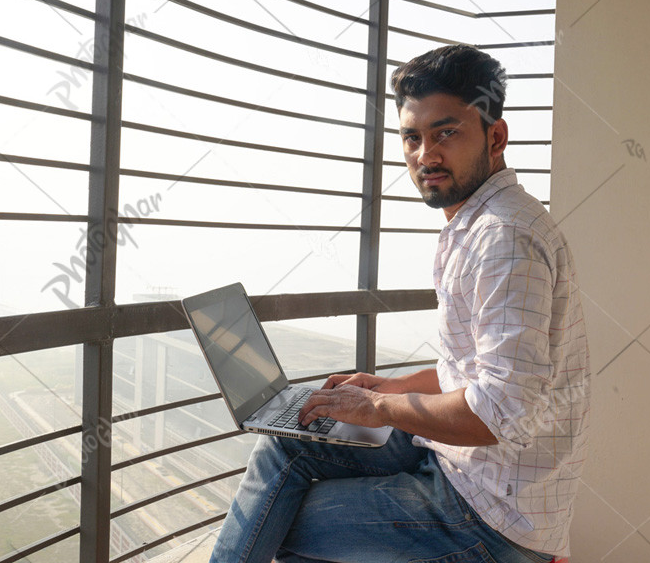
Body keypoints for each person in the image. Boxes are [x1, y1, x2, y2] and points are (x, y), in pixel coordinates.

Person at [209, 45, 590, 563]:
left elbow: (498, 413)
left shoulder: (504, 238)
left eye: (446, 132)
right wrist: (389, 387)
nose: (426, 155)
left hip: (493, 512)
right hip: (462, 464)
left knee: (280, 520)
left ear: (495, 137)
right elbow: (473, 376)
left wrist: (376, 407)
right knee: (286, 444)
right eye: (413, 137)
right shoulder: (477, 223)